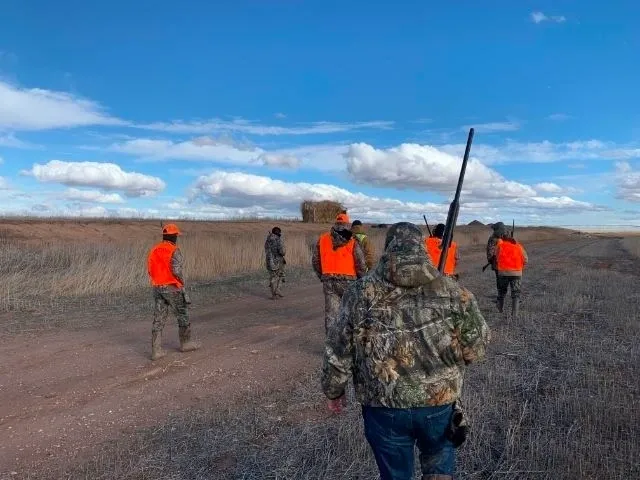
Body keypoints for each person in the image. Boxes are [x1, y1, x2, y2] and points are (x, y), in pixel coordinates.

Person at [322, 222, 490, 480]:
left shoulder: (359, 292)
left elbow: (339, 348)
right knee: (439, 471)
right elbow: (476, 350)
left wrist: (334, 390)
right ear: (422, 248)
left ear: (387, 249)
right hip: (438, 406)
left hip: (382, 407)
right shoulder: (454, 292)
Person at [147, 223, 199, 361]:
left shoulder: (154, 249)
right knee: (183, 314)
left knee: (159, 318)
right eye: (176, 235)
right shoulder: (174, 250)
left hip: (157, 287)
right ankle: (185, 343)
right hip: (172, 287)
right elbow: (176, 270)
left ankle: (156, 351)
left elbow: (149, 270)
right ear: (174, 236)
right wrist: (181, 283)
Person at [312, 212, 367, 333]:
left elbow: (315, 261)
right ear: (347, 224)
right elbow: (361, 264)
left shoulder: (323, 239)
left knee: (331, 315)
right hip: (350, 282)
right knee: (350, 313)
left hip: (329, 281)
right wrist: (362, 279)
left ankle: (331, 348)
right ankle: (349, 346)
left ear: (336, 223)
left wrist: (322, 275)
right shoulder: (353, 241)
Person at [494, 229, 528, 319]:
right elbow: (525, 259)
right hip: (516, 273)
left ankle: (500, 310)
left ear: (503, 237)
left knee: (501, 291)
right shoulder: (519, 246)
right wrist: (520, 266)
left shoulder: (500, 246)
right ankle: (514, 315)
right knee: (516, 293)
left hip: (503, 273)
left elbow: (496, 258)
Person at [265, 226, 286, 299]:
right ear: (278, 233)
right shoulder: (278, 239)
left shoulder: (267, 240)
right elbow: (282, 252)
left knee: (272, 277)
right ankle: (278, 290)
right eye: (280, 232)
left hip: (269, 261)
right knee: (281, 275)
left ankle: (273, 295)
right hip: (278, 261)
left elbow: (267, 250)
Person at [486, 222, 505, 298]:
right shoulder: (495, 239)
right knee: (502, 279)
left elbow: (490, 250)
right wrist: (491, 260)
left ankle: (501, 295)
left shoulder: (497, 238)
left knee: (502, 279)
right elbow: (490, 251)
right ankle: (501, 295)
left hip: (502, 263)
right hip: (501, 263)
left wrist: (490, 259)